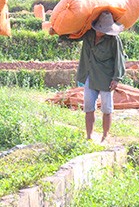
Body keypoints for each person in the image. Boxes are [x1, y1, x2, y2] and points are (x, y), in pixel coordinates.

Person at [50, 11, 126, 143]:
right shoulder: (88, 34)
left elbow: (120, 59)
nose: (101, 32)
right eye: (100, 30)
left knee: (107, 109)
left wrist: (116, 78)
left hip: (106, 77)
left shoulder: (114, 40)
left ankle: (105, 135)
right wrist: (58, 32)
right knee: (89, 107)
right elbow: (72, 37)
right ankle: (89, 136)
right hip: (89, 75)